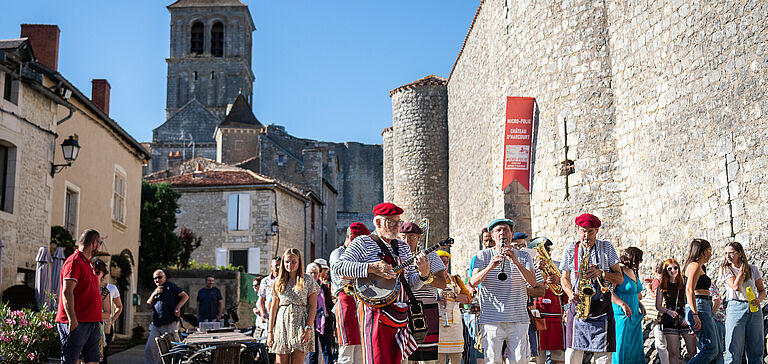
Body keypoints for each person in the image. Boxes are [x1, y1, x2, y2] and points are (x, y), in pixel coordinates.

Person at [332, 202, 431, 364]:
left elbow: (410, 285)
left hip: (401, 314)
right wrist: (371, 267)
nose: (397, 227)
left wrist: (423, 274)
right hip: (375, 313)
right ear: (378, 223)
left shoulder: (403, 248)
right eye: (392, 222)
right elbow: (338, 267)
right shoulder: (362, 243)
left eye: (398, 222)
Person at [468, 218, 538, 364]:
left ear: (512, 234)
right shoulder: (483, 255)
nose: (502, 233)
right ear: (492, 236)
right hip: (491, 319)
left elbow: (533, 282)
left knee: (519, 360)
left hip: (518, 318)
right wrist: (489, 267)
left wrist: (516, 262)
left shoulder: (524, 256)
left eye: (505, 230)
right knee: (493, 361)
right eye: (498, 230)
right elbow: (473, 282)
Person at [558, 214, 623, 364]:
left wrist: (602, 273)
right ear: (577, 230)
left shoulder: (606, 247)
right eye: (583, 231)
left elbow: (619, 278)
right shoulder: (570, 249)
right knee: (572, 355)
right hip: (578, 308)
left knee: (603, 358)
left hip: (602, 309)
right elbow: (564, 277)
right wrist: (569, 292)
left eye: (590, 232)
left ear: (597, 230)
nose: (586, 236)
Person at [399, 221, 448, 364]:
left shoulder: (430, 255)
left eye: (412, 236)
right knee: (402, 355)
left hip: (426, 308)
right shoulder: (395, 255)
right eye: (403, 236)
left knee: (426, 358)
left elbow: (442, 283)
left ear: (419, 238)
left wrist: (426, 275)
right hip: (401, 308)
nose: (407, 240)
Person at [55, 229, 104, 364]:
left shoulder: (88, 263)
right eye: (100, 243)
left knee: (93, 361)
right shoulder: (74, 261)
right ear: (94, 243)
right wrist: (73, 321)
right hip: (77, 322)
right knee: (71, 361)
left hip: (92, 322)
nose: (100, 246)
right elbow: (67, 292)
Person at [267, 248, 320, 364]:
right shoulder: (278, 281)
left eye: (293, 262)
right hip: (282, 323)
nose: (289, 265)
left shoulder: (308, 280)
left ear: (299, 262)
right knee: (280, 361)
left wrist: (308, 328)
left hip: (301, 322)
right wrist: (270, 332)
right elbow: (274, 308)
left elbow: (312, 306)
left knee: (297, 362)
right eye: (286, 262)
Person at [329, 222, 370, 364]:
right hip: (346, 299)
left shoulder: (361, 255)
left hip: (361, 301)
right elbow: (342, 274)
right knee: (347, 348)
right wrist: (366, 270)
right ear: (352, 238)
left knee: (360, 350)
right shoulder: (338, 253)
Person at [719, 241, 765, 364]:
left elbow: (762, 291)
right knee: (734, 348)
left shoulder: (753, 269)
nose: (727, 256)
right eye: (725, 253)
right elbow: (736, 287)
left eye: (731, 253)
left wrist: (758, 300)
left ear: (739, 253)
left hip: (754, 308)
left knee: (756, 348)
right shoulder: (725, 269)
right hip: (735, 307)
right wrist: (741, 274)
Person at [683, 239, 722, 364]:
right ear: (705, 251)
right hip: (699, 306)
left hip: (705, 305)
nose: (711, 254)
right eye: (710, 250)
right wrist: (695, 314)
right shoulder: (694, 266)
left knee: (715, 350)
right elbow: (689, 290)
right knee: (710, 349)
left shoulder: (700, 267)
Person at [529, 237, 566, 364]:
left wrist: (559, 281)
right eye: (542, 250)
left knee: (559, 357)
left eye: (548, 250)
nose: (546, 253)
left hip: (555, 315)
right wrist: (535, 269)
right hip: (537, 316)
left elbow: (566, 291)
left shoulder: (558, 266)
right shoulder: (530, 267)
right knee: (538, 357)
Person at [655, 258, 697, 364]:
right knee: (673, 353)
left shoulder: (684, 284)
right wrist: (667, 311)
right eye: (669, 269)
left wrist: (689, 317)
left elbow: (691, 300)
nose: (673, 271)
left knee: (693, 352)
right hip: (670, 319)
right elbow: (658, 305)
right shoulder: (662, 286)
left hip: (685, 318)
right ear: (665, 271)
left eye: (675, 268)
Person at [144, 269, 189, 364]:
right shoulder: (156, 290)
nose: (157, 280)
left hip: (170, 323)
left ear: (164, 277)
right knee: (150, 347)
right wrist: (154, 293)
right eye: (155, 278)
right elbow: (148, 305)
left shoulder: (171, 287)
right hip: (157, 324)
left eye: (160, 277)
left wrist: (178, 307)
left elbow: (185, 296)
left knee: (172, 347)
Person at [610, 247, 645, 364]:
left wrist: (640, 305)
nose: (641, 261)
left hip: (634, 315)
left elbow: (634, 293)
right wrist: (623, 304)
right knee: (621, 348)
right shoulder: (619, 271)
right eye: (639, 259)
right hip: (622, 316)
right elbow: (610, 294)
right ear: (632, 258)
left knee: (635, 348)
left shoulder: (633, 271)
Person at [436, 250, 469, 364]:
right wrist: (437, 299)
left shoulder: (455, 280)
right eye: (440, 262)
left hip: (455, 327)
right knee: (438, 360)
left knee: (456, 359)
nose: (444, 265)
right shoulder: (430, 281)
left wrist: (454, 295)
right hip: (437, 326)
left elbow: (467, 299)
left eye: (445, 262)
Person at [307, 262, 335, 364]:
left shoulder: (323, 287)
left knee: (327, 349)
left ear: (319, 274)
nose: (313, 275)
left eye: (315, 273)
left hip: (325, 320)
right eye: (310, 273)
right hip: (311, 321)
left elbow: (329, 304)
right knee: (313, 351)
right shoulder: (305, 288)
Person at [649, 261, 670, 364]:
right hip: (667, 314)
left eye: (652, 268)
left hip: (659, 316)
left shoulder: (657, 281)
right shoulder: (667, 280)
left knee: (660, 344)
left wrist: (649, 290)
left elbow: (657, 297)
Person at [92, 259, 112, 364]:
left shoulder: (104, 292)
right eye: (94, 271)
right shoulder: (82, 286)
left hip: (95, 327)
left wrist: (91, 315)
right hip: (81, 326)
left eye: (99, 272)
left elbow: (107, 313)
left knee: (94, 358)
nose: (96, 275)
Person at [259, 257, 282, 322]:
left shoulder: (286, 280)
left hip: (281, 315)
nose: (278, 268)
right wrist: (263, 313)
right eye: (276, 265)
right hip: (269, 315)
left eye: (280, 266)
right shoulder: (265, 281)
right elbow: (261, 300)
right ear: (271, 266)